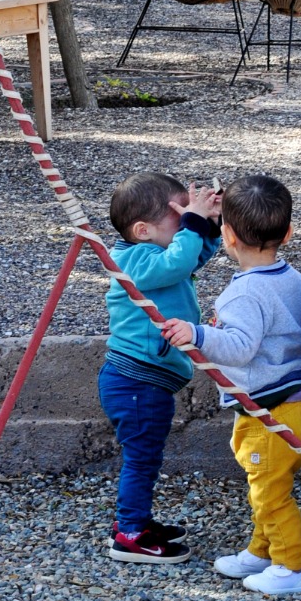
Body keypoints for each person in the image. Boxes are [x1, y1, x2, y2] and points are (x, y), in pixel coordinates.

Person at [161, 174, 301, 597]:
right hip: (296, 401)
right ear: (288, 232)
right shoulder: (294, 279)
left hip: (270, 409)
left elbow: (241, 348)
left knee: (269, 491)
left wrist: (198, 334)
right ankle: (262, 550)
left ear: (227, 235)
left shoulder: (244, 293)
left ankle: (291, 565)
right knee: (265, 483)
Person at [99, 172, 221, 564]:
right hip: (136, 382)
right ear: (143, 230)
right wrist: (194, 222)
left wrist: (209, 223)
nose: (186, 224)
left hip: (144, 381)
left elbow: (192, 256)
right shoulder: (132, 261)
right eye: (179, 218)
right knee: (142, 459)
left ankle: (135, 521)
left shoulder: (153, 255)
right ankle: (130, 534)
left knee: (145, 458)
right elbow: (179, 261)